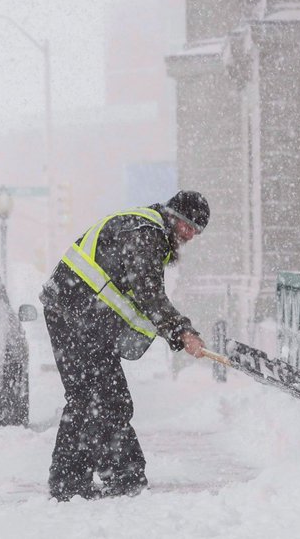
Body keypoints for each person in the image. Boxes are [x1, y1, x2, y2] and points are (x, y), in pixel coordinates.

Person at [39, 190, 210, 501]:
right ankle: (116, 477)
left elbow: (136, 298)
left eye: (196, 232)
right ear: (174, 217)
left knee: (97, 398)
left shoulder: (145, 231)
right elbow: (148, 293)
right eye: (188, 227)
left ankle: (80, 480)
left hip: (81, 317)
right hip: (74, 315)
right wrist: (183, 332)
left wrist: (172, 331)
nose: (190, 236)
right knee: (98, 398)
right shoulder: (145, 234)